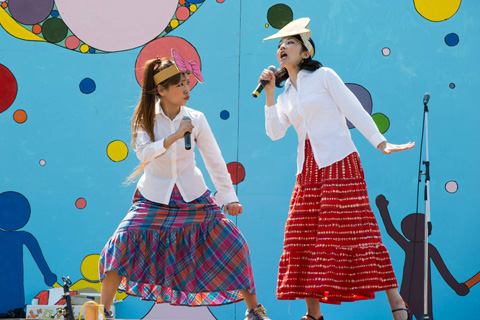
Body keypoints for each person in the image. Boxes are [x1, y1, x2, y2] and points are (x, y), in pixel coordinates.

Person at [258, 18, 415, 320]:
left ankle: (398, 305)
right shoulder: (285, 94)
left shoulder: (324, 76)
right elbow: (275, 132)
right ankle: (313, 314)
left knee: (358, 234)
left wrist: (381, 143)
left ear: (305, 52)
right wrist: (268, 95)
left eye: (290, 43)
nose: (282, 48)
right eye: (280, 44)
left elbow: (353, 109)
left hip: (340, 163)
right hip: (307, 170)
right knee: (300, 235)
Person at [99, 50, 270, 320]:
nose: (186, 88)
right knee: (122, 241)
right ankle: (105, 311)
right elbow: (143, 153)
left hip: (193, 196)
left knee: (235, 244)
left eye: (186, 82)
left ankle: (253, 311)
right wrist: (174, 137)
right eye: (179, 84)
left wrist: (229, 197)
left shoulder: (196, 118)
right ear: (162, 90)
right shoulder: (145, 118)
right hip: (154, 196)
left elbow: (214, 159)